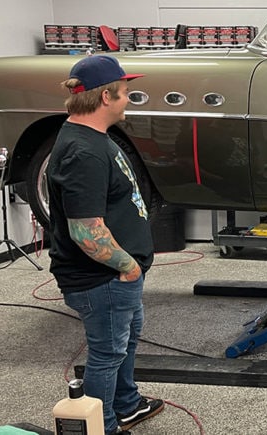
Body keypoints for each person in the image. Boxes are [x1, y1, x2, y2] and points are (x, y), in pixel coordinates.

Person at [48, 55, 165, 435]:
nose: (129, 98)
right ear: (105, 97)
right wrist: (126, 266)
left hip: (116, 276)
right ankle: (104, 426)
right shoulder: (83, 152)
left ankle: (126, 404)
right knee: (107, 353)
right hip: (102, 278)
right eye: (126, 92)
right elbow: (85, 231)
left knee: (124, 342)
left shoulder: (93, 138)